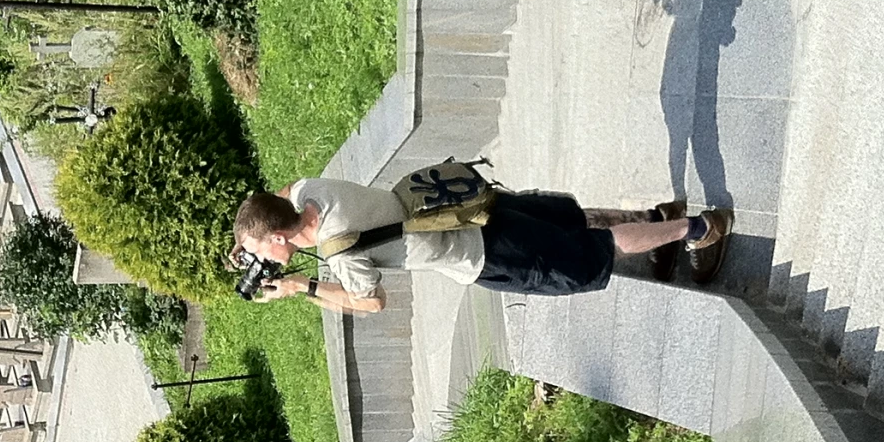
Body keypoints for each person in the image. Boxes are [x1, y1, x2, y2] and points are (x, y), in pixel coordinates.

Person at [229, 177, 732, 312]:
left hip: (478, 253)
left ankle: (697, 230)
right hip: (465, 204)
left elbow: (371, 302)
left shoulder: (340, 250)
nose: (261, 261)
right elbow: (275, 198)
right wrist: (246, 238)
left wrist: (303, 287)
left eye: (260, 250)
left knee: (589, 252)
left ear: (278, 236)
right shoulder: (307, 192)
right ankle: (657, 220)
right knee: (569, 221)